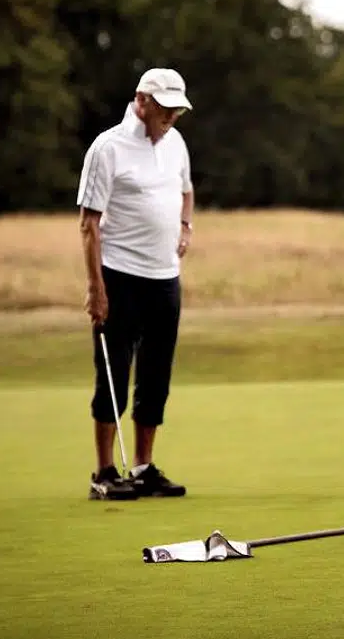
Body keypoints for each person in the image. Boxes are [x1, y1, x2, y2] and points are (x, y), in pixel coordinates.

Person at [76, 67, 196, 501]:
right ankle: (104, 471)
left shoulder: (176, 143)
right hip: (119, 275)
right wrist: (95, 288)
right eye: (165, 108)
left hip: (165, 278)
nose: (172, 117)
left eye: (177, 109)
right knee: (112, 373)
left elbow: (185, 189)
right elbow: (89, 224)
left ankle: (143, 467)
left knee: (155, 375)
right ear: (141, 101)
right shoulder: (108, 148)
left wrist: (185, 226)